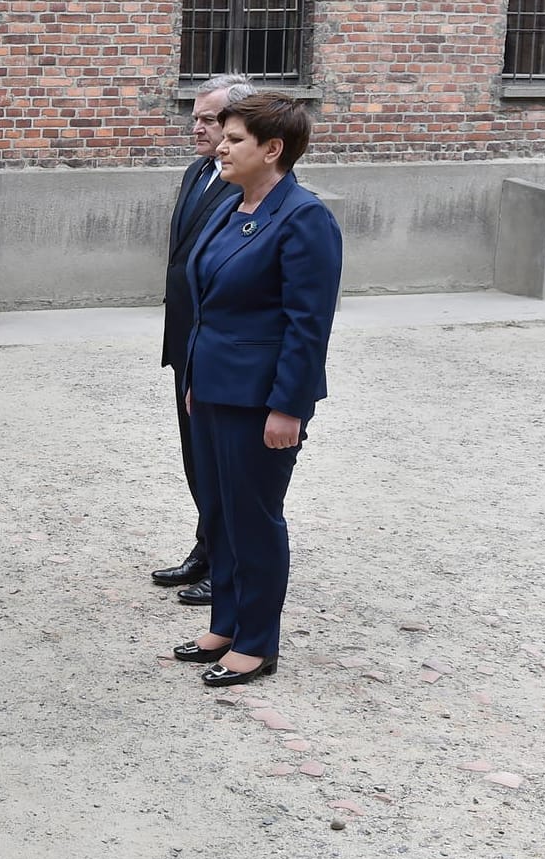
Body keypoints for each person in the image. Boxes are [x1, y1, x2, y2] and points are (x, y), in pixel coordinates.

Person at [171, 92, 342, 686]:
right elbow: (205, 306)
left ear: (273, 149)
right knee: (220, 512)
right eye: (223, 135)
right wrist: (194, 379)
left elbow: (307, 324)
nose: (220, 145)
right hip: (213, 390)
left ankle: (257, 642)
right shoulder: (229, 206)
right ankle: (225, 624)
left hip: (261, 400)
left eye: (235, 138)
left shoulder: (304, 217)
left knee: (255, 517)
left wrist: (288, 407)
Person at [152, 74, 255, 606]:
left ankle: (230, 564)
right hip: (187, 342)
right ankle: (206, 548)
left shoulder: (250, 185)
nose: (196, 126)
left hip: (221, 345)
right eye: (194, 116)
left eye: (209, 119)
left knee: (225, 460)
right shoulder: (199, 170)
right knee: (195, 452)